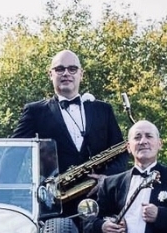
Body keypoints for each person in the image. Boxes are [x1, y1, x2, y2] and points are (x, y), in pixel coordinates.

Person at [10, 50, 128, 214]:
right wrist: (1, 197)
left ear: (81, 74)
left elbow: (121, 152)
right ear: (50, 74)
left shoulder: (103, 110)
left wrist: (108, 179)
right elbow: (13, 154)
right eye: (60, 69)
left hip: (100, 201)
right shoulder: (34, 111)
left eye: (72, 69)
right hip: (55, 204)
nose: (66, 73)